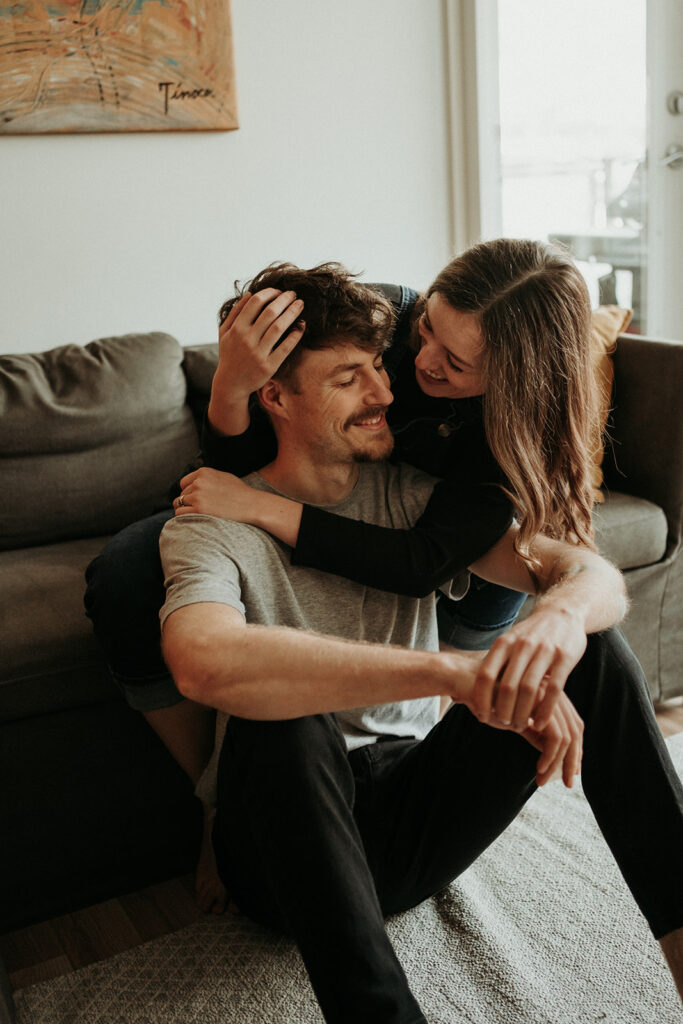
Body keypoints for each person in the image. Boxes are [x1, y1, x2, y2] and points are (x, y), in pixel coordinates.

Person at [157, 270, 683, 1024]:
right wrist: (450, 672)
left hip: (408, 828)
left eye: (379, 364)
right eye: (349, 377)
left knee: (590, 652)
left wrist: (560, 618)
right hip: (280, 847)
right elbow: (201, 660)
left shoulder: (413, 498)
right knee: (285, 713)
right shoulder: (208, 521)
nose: (385, 392)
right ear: (274, 396)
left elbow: (585, 569)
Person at [83, 242, 598, 909]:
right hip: (326, 500)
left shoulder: (507, 435)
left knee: (506, 624)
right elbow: (251, 458)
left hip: (440, 538)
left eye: (454, 362)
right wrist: (232, 384)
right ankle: (215, 802)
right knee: (126, 569)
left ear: (512, 377)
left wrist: (556, 617)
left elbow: (422, 563)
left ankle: (410, 778)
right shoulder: (386, 321)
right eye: (426, 331)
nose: (415, 366)